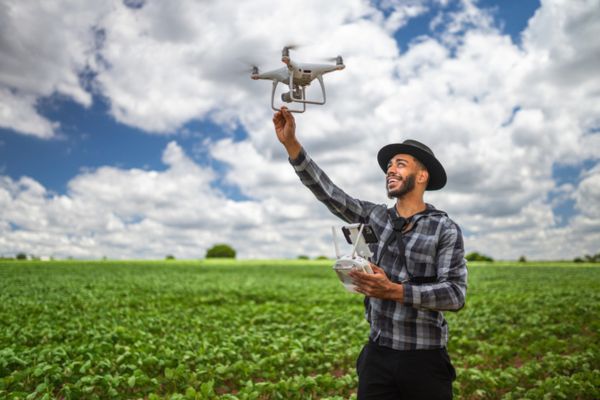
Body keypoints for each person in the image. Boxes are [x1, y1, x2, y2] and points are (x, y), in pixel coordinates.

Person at [273, 107, 467, 400]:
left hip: (425, 361)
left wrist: (395, 291)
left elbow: (455, 294)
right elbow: (330, 193)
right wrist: (292, 146)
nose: (391, 169)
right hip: (377, 357)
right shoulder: (375, 216)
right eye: (390, 165)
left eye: (400, 164)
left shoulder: (444, 229)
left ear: (422, 175)